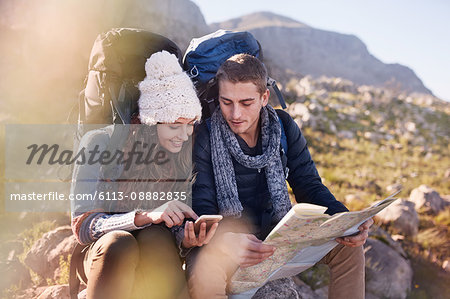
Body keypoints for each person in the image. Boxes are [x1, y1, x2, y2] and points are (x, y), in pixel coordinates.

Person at [187, 53, 373, 299]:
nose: (235, 114)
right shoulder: (205, 136)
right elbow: (202, 204)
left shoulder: (283, 126)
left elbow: (308, 185)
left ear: (264, 97)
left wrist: (345, 219)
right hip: (229, 243)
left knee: (348, 248)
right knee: (204, 272)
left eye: (246, 102)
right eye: (226, 101)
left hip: (276, 238)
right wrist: (226, 240)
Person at [70, 51, 217, 299]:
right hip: (106, 253)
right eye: (174, 125)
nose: (184, 135)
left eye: (190, 124)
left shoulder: (180, 154)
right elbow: (83, 226)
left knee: (158, 237)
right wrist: (143, 217)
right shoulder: (101, 142)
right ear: (151, 121)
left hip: (152, 250)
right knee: (121, 243)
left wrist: (186, 239)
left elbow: (172, 230)